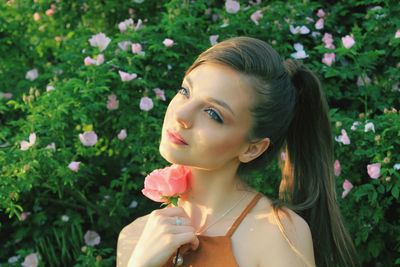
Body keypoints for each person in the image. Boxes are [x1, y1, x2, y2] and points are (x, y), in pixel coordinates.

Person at [117, 36, 360, 267]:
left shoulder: (276, 233)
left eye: (213, 114)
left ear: (252, 148)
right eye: (185, 91)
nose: (181, 115)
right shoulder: (137, 236)